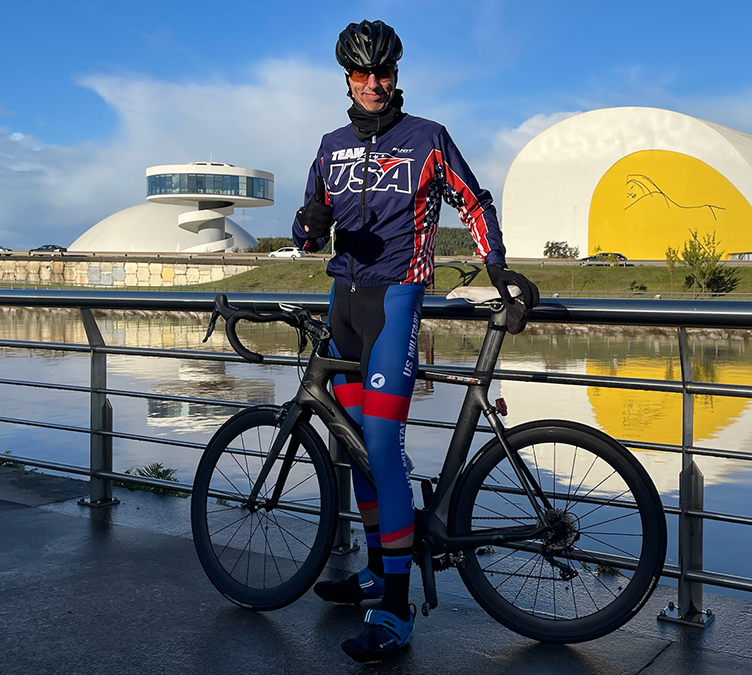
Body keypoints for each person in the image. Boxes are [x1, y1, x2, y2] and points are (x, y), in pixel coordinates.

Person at [290, 19, 539, 663]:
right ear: (346, 79)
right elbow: (309, 235)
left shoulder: (427, 138)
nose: (375, 84)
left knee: (380, 443)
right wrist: (309, 227)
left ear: (398, 75)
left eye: (385, 73)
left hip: (398, 299)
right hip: (342, 303)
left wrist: (498, 267)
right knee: (355, 452)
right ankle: (379, 570)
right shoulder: (329, 146)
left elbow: (474, 202)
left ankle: (396, 613)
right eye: (363, 74)